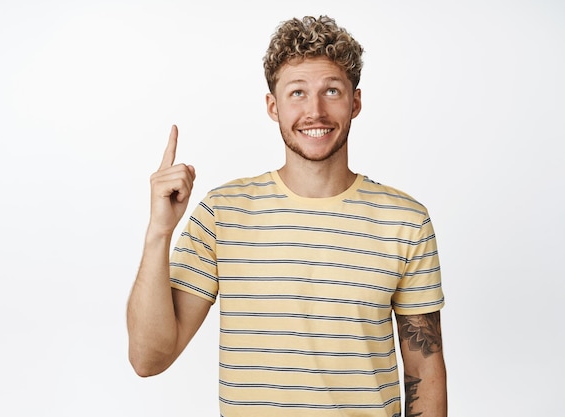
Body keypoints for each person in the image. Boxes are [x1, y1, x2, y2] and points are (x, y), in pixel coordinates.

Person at [127, 15, 447, 417]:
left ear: (356, 102)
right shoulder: (222, 213)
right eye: (297, 92)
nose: (315, 110)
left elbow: (424, 368)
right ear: (273, 107)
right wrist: (159, 231)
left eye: (331, 90)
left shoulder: (405, 221)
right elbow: (148, 359)